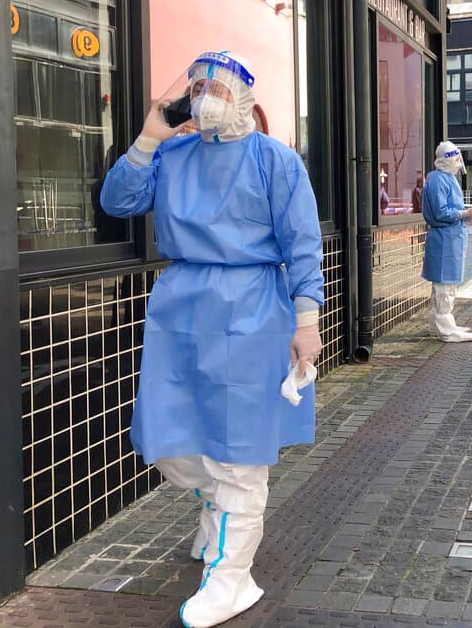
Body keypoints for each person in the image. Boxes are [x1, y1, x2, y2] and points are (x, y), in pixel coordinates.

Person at [100, 51, 325, 628]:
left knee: (238, 449)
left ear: (243, 96)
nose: (203, 95)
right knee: (172, 438)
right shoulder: (173, 153)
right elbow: (117, 202)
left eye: (216, 87)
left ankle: (232, 577)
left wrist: (307, 321)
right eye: (196, 85)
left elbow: (301, 242)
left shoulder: (276, 161)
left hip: (252, 311)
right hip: (181, 306)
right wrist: (148, 139)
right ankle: (216, 510)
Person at [422, 141, 472, 343]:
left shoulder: (445, 179)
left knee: (445, 285)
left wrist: (467, 214)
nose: (459, 163)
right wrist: (463, 213)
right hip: (444, 240)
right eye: (456, 159)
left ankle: (439, 325)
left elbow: (451, 208)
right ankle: (446, 329)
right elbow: (440, 212)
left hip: (450, 238)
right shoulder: (437, 180)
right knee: (445, 287)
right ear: (448, 159)